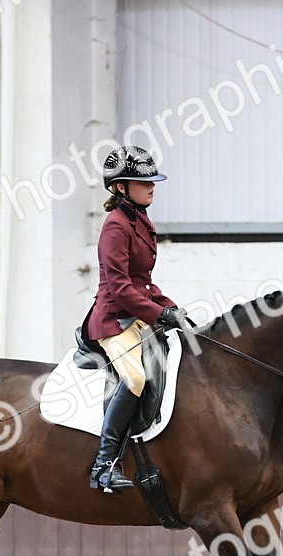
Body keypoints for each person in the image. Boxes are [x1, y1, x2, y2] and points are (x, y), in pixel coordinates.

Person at [85, 145, 190, 493]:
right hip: (115, 319)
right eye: (142, 182)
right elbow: (119, 288)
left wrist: (170, 308)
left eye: (152, 181)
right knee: (134, 378)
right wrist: (158, 313)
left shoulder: (139, 219)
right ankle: (104, 465)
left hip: (137, 314)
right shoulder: (115, 226)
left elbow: (142, 282)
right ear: (120, 188)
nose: (152, 186)